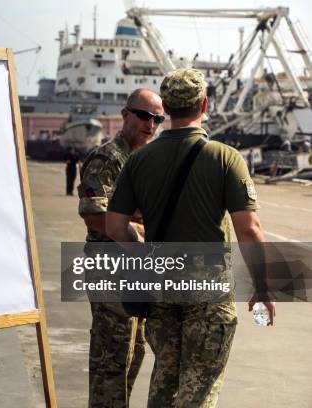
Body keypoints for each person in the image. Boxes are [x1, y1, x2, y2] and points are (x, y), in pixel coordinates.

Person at [100, 68, 276, 407]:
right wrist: (263, 288)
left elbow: (114, 226)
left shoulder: (139, 160)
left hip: (161, 289)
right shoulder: (225, 157)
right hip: (208, 293)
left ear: (165, 107)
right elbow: (249, 229)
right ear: (205, 104)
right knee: (199, 390)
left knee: (165, 383)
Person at [77, 88, 164, 408]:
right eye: (144, 116)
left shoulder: (145, 160)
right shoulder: (108, 158)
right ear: (125, 115)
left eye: (158, 119)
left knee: (135, 349)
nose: (150, 125)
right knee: (111, 358)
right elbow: (94, 214)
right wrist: (142, 236)